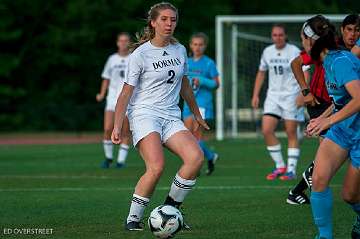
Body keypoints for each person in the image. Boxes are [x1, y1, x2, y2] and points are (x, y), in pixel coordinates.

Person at [111, 2, 208, 231]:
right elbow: (126, 93)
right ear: (153, 22)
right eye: (164, 19)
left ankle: (170, 210)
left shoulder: (180, 49)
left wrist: (196, 113)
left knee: (195, 158)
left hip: (171, 115)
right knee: (156, 166)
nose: (169, 23)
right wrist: (117, 126)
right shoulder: (140, 54)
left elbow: (184, 83)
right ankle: (133, 219)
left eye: (173, 19)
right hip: (145, 115)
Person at [287, 14, 360, 205]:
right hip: (324, 105)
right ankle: (301, 190)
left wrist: (327, 119)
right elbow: (295, 63)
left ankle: (301, 189)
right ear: (342, 30)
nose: (353, 35)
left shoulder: (341, 57)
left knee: (346, 189)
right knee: (324, 161)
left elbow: (355, 98)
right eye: (349, 29)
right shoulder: (326, 47)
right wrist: (305, 91)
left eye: (357, 30)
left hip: (342, 110)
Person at [251, 24, 304, 181]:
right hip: (273, 96)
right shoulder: (267, 52)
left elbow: (306, 71)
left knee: (291, 132)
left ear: (285, 35)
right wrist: (255, 95)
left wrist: (303, 92)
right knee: (266, 130)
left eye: (280, 35)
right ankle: (280, 166)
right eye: (275, 35)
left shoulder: (294, 51)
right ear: (272, 36)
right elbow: (261, 73)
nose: (278, 37)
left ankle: (292, 170)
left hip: (291, 96)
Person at [182, 32, 220, 175]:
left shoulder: (209, 63)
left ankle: (194, 165)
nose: (197, 47)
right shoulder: (186, 62)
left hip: (203, 104)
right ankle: (210, 156)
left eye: (201, 45)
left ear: (205, 46)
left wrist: (202, 80)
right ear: (191, 45)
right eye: (195, 44)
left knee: (196, 136)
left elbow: (216, 84)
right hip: (188, 103)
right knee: (187, 136)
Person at [96, 32, 132, 168]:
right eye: (121, 41)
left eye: (126, 41)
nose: (123, 43)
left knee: (125, 131)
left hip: (128, 99)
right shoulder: (112, 59)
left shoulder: (133, 58)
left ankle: (121, 162)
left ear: (129, 43)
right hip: (112, 98)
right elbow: (106, 78)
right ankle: (108, 158)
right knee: (107, 128)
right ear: (117, 43)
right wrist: (101, 94)